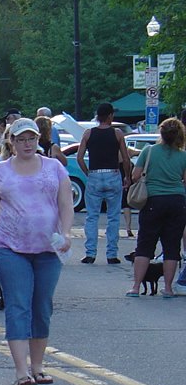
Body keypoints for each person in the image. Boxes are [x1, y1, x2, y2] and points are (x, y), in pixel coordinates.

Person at [0, 118, 74, 385]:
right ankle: (22, 371)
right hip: (10, 247)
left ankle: (38, 366)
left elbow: (66, 204)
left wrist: (66, 233)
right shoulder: (0, 171)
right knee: (18, 305)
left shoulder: (54, 168)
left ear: (38, 140)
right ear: (12, 142)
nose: (27, 144)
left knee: (42, 306)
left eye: (31, 138)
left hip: (47, 248)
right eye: (21, 139)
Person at [126, 118, 186, 297]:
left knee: (145, 245)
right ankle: (168, 288)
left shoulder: (149, 151)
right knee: (172, 247)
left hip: (153, 201)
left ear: (161, 133)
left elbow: (135, 175)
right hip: (176, 202)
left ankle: (136, 286)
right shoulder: (183, 155)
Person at [76, 102, 132, 264]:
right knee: (113, 216)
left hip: (94, 175)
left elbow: (79, 157)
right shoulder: (117, 134)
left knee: (92, 216)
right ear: (110, 116)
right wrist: (126, 176)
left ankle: (91, 253)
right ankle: (111, 254)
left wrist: (88, 173)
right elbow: (126, 159)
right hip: (113, 174)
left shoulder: (88, 133)